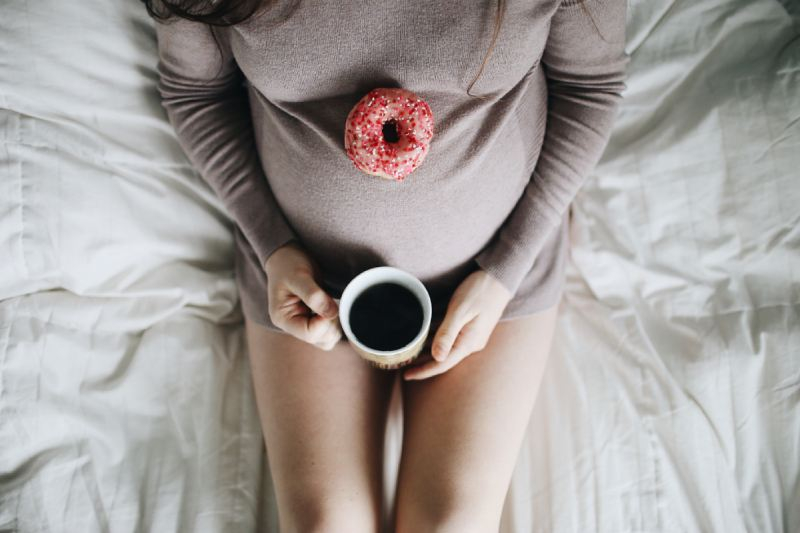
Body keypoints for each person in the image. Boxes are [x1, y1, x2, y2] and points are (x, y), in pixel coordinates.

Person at [147, 0, 627, 530]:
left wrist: (504, 271)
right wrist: (273, 246)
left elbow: (591, 86)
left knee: (452, 523)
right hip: (307, 281)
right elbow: (194, 92)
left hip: (493, 275)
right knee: (324, 524)